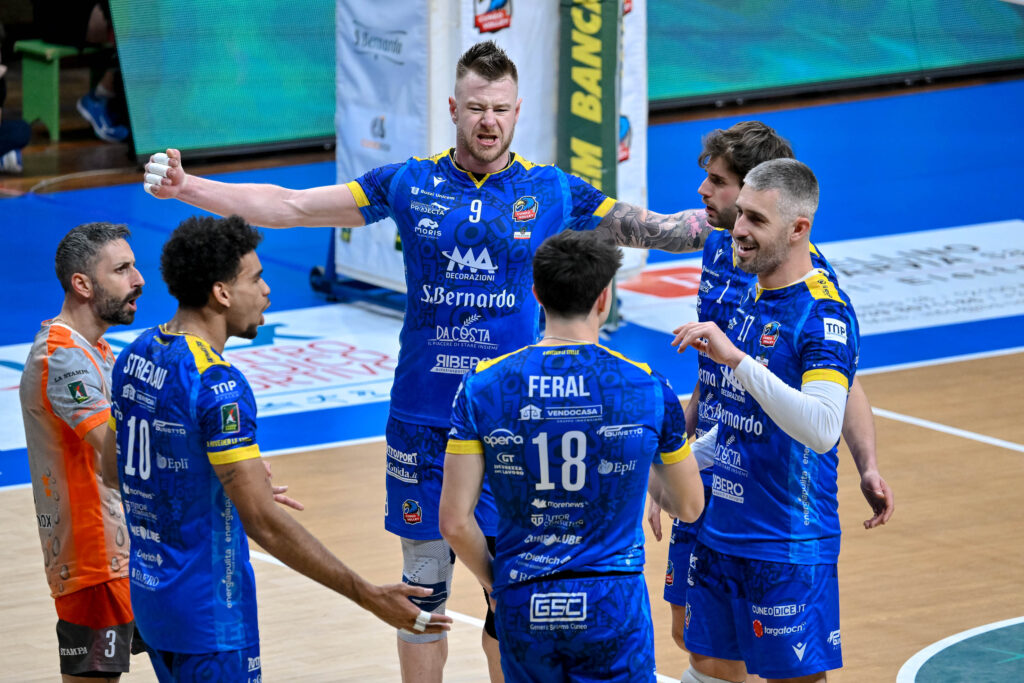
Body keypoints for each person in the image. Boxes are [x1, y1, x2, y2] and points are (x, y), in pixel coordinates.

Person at [140, 40, 713, 683]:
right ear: (453, 108)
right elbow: (291, 206)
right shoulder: (409, 183)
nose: (488, 121)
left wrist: (737, 214)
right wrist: (188, 187)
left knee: (510, 597)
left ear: (518, 110)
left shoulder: (551, 188)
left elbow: (662, 228)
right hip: (422, 423)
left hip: (510, 424)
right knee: (422, 598)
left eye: (500, 109)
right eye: (476, 108)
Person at [100, 215, 451, 682]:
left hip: (152, 601)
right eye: (255, 278)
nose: (266, 290)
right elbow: (263, 523)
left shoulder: (136, 353)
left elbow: (113, 470)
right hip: (211, 616)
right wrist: (367, 595)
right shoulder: (217, 384)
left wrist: (217, 483)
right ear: (222, 293)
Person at [647, 122, 894, 677]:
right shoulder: (735, 266)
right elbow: (720, 385)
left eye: (719, 182)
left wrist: (867, 463)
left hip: (782, 514)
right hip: (719, 483)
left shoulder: (815, 300)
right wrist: (673, 461)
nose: (705, 193)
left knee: (786, 669)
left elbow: (838, 390)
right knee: (697, 642)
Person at [439, 229, 705, 681]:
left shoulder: (483, 385)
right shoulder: (646, 387)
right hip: (612, 600)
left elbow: (453, 522)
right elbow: (690, 506)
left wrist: (496, 582)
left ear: (536, 295)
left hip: (525, 597)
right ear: (604, 298)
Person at [19, 222, 144, 681]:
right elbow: (118, 452)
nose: (139, 280)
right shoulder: (62, 355)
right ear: (83, 284)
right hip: (94, 559)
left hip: (128, 552)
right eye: (122, 269)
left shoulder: (96, 349)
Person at [31, 1, 130, 142]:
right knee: (131, 12)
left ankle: (114, 93)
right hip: (63, 15)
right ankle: (102, 94)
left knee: (144, 10)